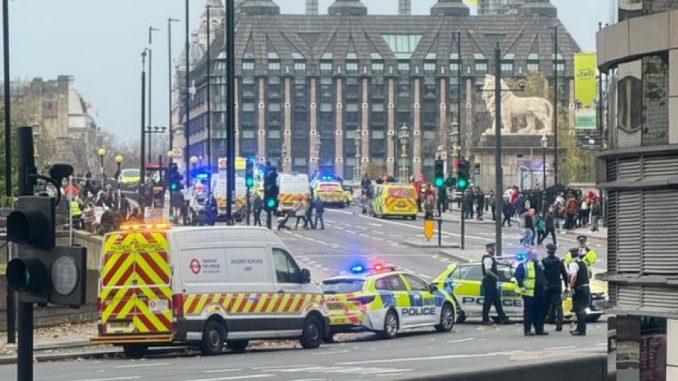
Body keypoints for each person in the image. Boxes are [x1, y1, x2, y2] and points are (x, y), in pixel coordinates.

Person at [514, 249, 548, 336]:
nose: (536, 256)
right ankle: (528, 330)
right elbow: (517, 276)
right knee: (529, 313)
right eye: (534, 255)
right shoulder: (524, 265)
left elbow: (543, 275)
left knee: (540, 312)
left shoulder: (539, 264)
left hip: (540, 292)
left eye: (536, 255)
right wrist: (521, 286)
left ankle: (539, 329)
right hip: (529, 293)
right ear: (529, 255)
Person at [541, 243, 569, 331]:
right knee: (558, 306)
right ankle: (559, 324)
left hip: (547, 286)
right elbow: (564, 274)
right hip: (557, 285)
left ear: (548, 251)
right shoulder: (559, 262)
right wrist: (567, 285)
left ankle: (540, 324)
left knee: (545, 305)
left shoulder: (544, 261)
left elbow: (541, 274)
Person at [481, 243, 510, 325]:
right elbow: (487, 271)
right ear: (488, 249)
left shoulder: (490, 258)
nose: (494, 250)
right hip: (489, 282)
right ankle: (486, 319)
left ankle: (502, 317)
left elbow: (496, 261)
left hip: (491, 282)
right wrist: (496, 277)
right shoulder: (487, 258)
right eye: (493, 249)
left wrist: (505, 263)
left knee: (497, 300)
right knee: (488, 301)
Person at [568, 248, 590, 336]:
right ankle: (580, 328)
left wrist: (572, 286)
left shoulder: (573, 264)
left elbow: (574, 275)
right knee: (582, 309)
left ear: (571, 255)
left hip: (579, 288)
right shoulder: (583, 263)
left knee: (578, 309)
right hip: (586, 287)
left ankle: (581, 330)